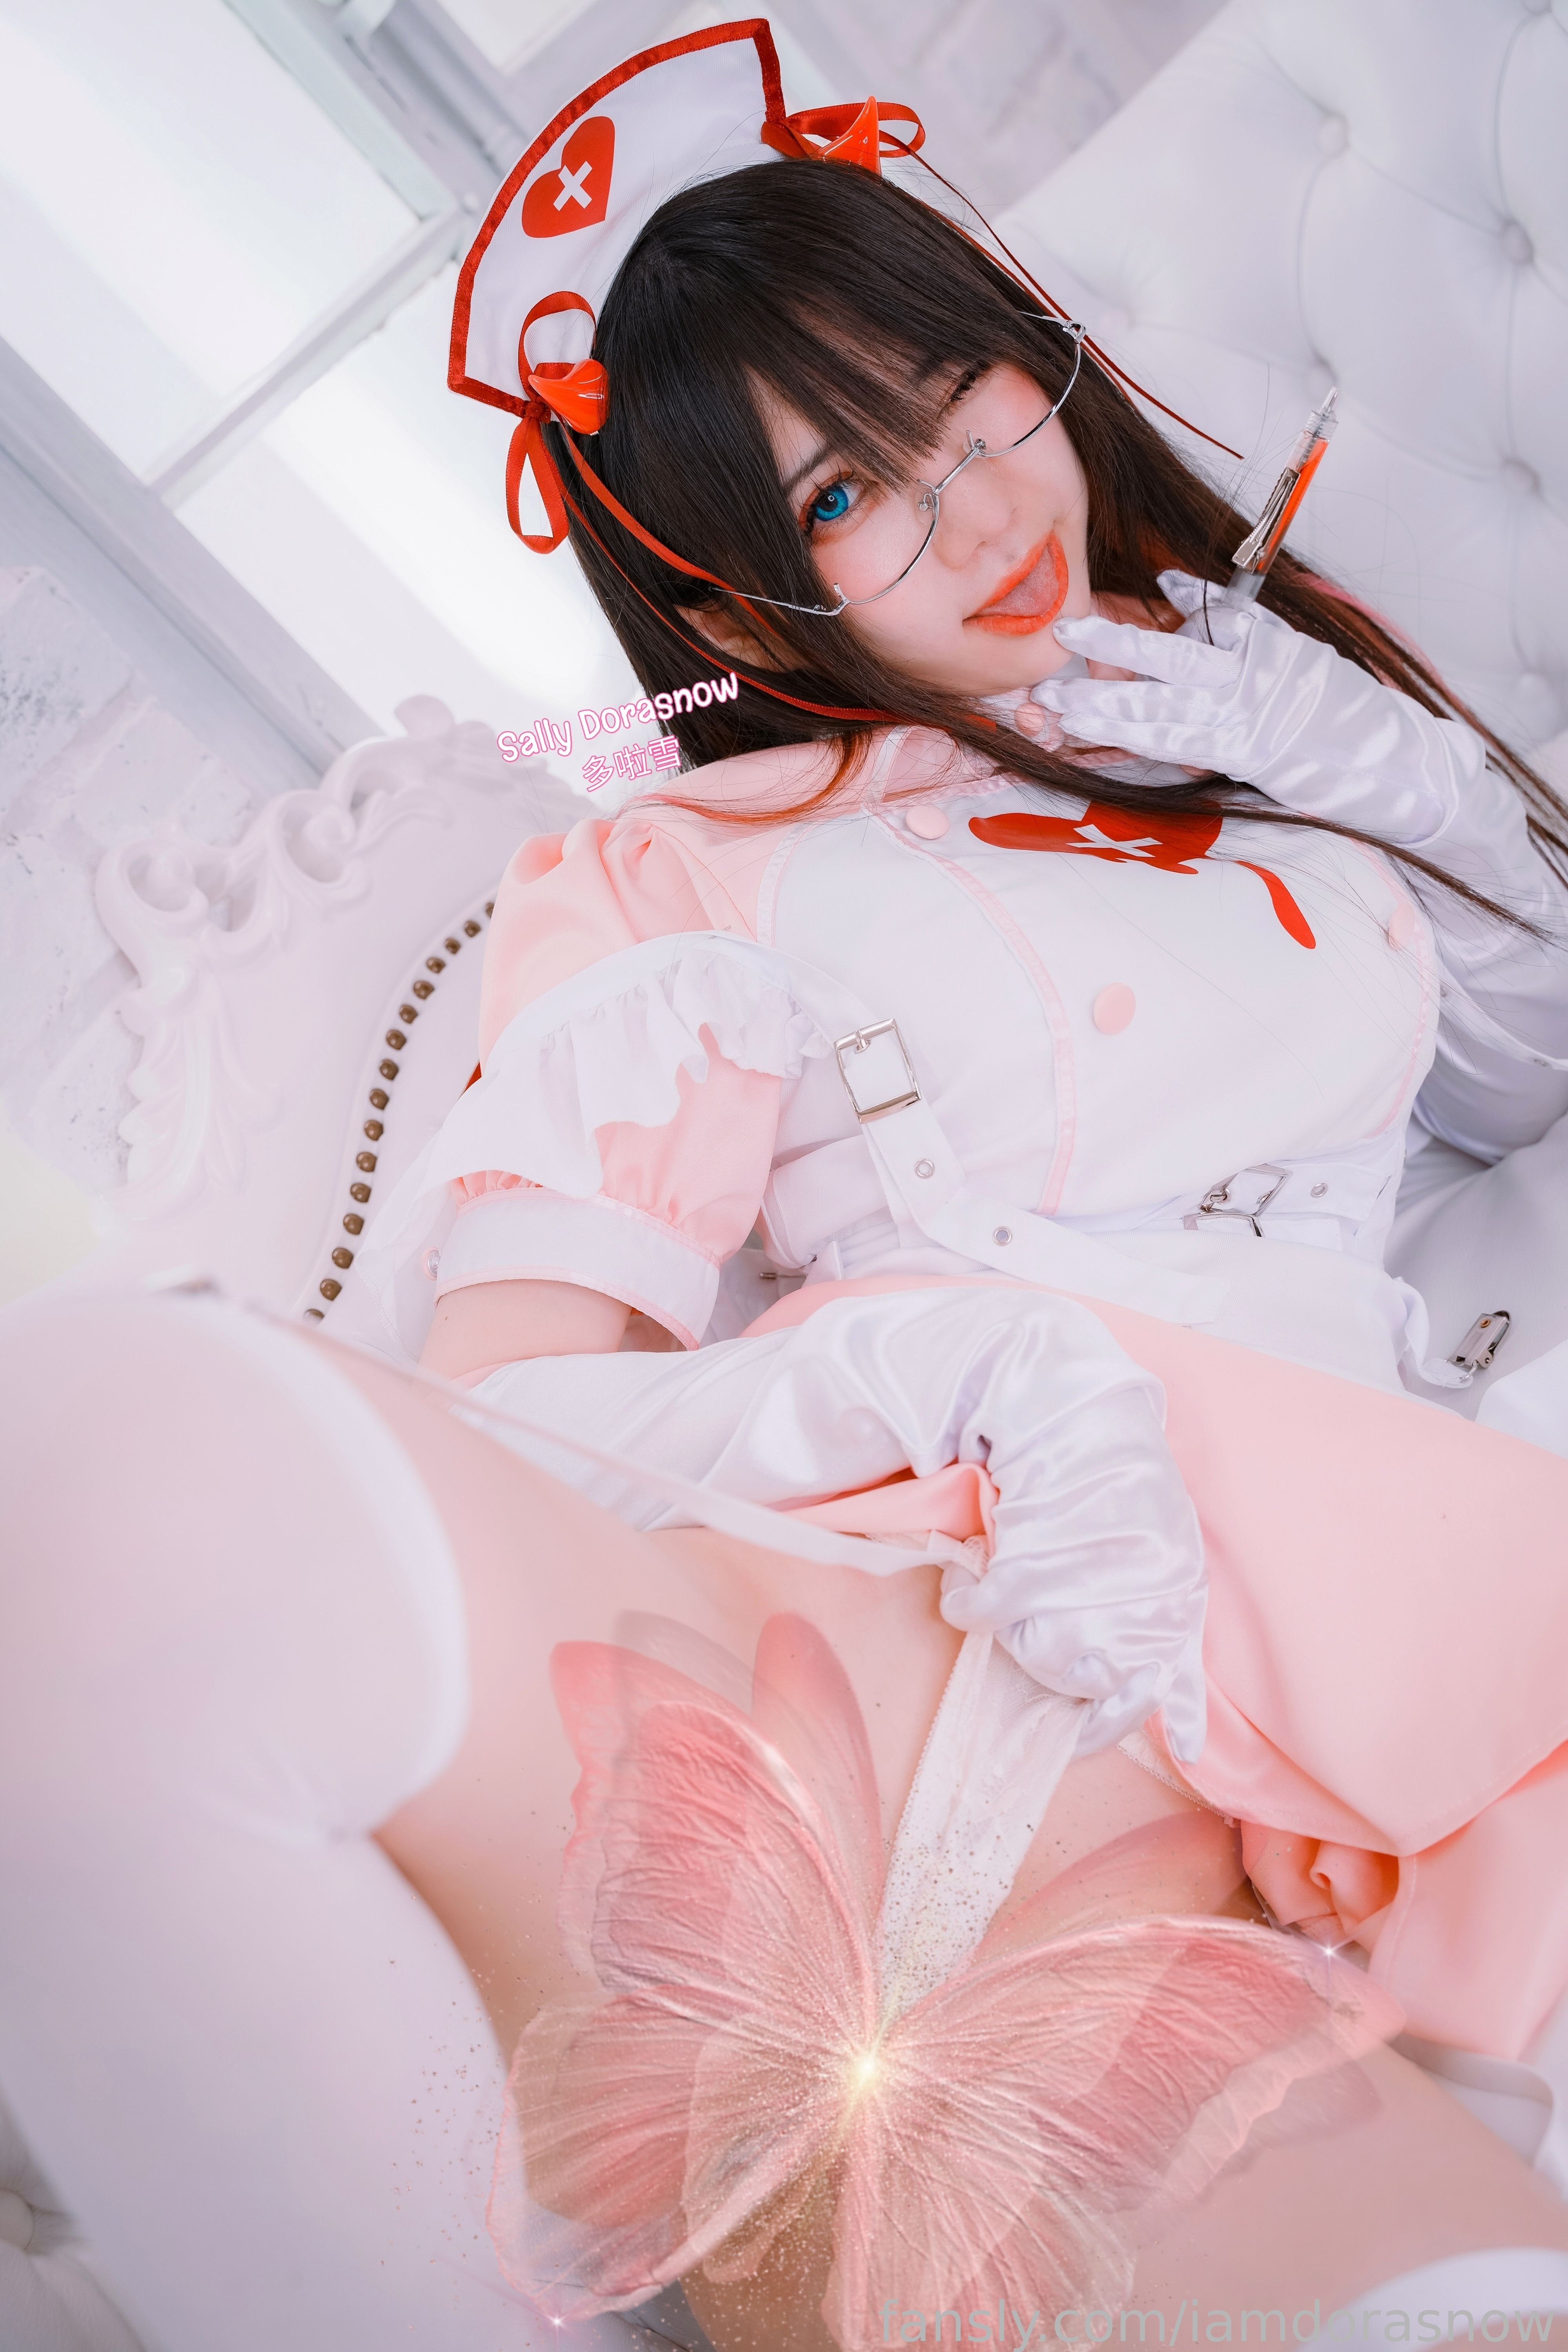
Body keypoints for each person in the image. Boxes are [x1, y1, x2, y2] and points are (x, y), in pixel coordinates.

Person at [4, 23, 1568, 2352]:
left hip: (1367, 1568)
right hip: (1027, 1624)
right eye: (850, 497)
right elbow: (529, 1424)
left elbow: (1520, 1080)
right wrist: (975, 1374)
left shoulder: (1203, 702)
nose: (981, 511)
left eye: (963, 399)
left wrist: (1346, 753)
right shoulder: (689, 881)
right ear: (738, 611)